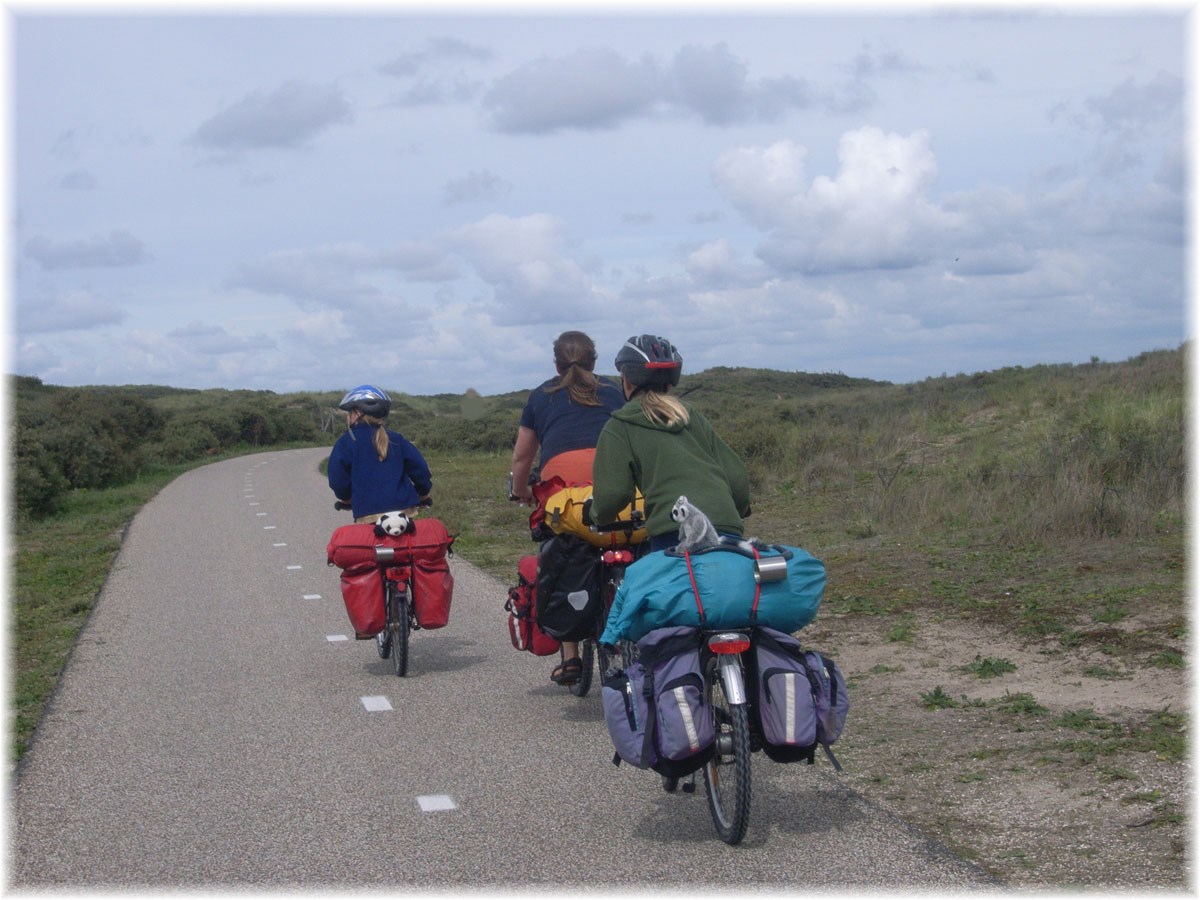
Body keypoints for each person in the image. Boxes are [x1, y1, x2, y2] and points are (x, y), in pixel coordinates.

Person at [509, 331, 625, 686]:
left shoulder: (541, 395)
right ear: (594, 360)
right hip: (613, 481)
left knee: (560, 554)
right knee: (628, 542)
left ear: (556, 364)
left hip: (563, 491)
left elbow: (523, 455)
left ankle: (571, 656)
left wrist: (521, 490)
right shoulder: (615, 392)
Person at [591, 334, 751, 552]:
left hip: (674, 532)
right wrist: (731, 511)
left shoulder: (620, 425)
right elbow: (737, 478)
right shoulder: (690, 415)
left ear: (627, 380)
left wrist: (597, 515)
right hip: (726, 529)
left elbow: (612, 494)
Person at [328, 384, 433, 522]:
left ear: (358, 413)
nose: (349, 416)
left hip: (367, 512)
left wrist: (346, 498)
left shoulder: (346, 442)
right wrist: (423, 493)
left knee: (365, 542)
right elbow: (420, 469)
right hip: (404, 510)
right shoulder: (396, 439)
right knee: (409, 542)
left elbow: (337, 478)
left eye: (350, 412)